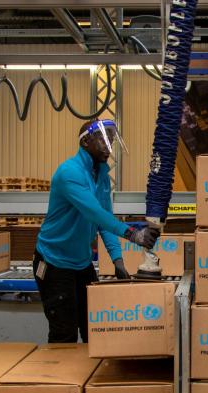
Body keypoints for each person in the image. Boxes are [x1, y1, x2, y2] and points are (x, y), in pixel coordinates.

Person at [33, 119, 160, 343]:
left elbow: (105, 219)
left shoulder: (100, 175)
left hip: (81, 263)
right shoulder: (69, 173)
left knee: (93, 329)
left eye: (111, 139)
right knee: (65, 333)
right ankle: (61, 376)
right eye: (102, 138)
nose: (108, 144)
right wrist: (133, 234)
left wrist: (117, 260)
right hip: (54, 263)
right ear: (85, 143)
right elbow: (94, 213)